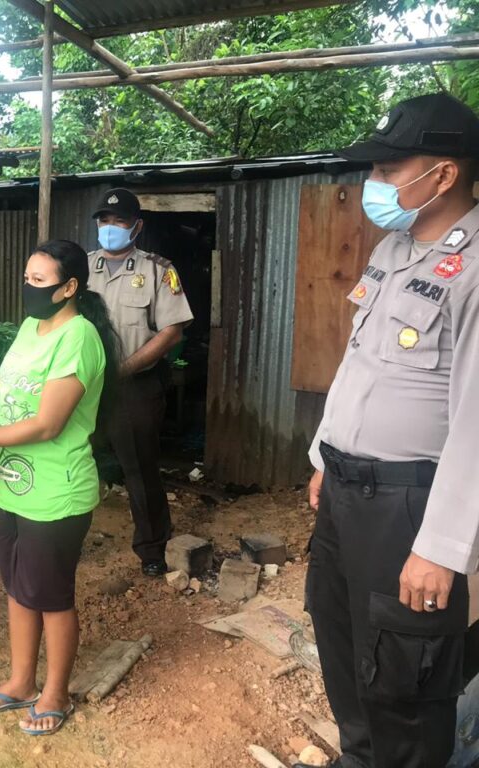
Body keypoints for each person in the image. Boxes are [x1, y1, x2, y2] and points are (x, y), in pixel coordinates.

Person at [303, 93, 479, 768]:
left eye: (387, 169)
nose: (373, 182)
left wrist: (441, 547)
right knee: (343, 640)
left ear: (444, 174)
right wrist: (324, 458)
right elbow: (360, 364)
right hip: (347, 490)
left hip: (411, 502)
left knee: (405, 674)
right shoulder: (394, 249)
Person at [0, 239, 118, 736]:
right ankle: (20, 682)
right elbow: (24, 393)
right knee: (19, 589)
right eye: (27, 278)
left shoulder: (79, 337)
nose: (28, 287)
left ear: (70, 287)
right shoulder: (30, 327)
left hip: (55, 493)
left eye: (39, 280)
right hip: (8, 486)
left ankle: (55, 692)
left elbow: (47, 423)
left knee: (51, 596)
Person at [87, 189, 193, 576]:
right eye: (104, 220)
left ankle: (152, 549)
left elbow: (172, 331)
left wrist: (124, 369)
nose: (110, 227)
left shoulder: (157, 270)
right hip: (83, 384)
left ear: (137, 226)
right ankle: (63, 539)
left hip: (135, 385)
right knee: (68, 459)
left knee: (140, 470)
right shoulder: (80, 268)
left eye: (119, 221)